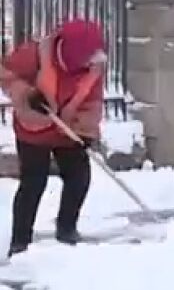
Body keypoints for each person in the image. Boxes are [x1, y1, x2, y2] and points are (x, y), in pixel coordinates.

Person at [2, 20, 107, 257]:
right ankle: (20, 242)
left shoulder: (94, 67)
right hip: (34, 126)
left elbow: (93, 101)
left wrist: (85, 128)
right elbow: (7, 74)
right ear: (73, 52)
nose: (93, 60)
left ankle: (67, 230)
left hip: (68, 129)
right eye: (87, 55)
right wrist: (27, 94)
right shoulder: (35, 54)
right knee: (33, 182)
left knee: (79, 177)